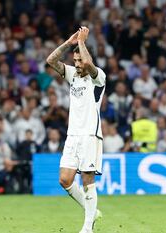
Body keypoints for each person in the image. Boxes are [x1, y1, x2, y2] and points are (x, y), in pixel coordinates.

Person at [46, 26, 105, 233]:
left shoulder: (98, 78)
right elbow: (51, 61)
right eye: (75, 61)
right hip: (73, 135)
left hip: (90, 134)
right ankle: (92, 211)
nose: (78, 64)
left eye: (80, 61)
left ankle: (87, 227)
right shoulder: (73, 75)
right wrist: (69, 43)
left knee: (87, 179)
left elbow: (89, 63)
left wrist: (82, 42)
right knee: (65, 180)